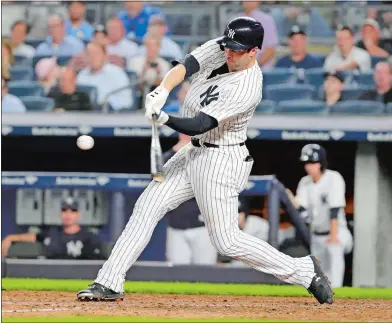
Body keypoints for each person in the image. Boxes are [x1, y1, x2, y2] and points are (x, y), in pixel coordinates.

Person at [77, 17, 333, 305]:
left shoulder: (248, 86)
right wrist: (161, 90)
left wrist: (164, 118)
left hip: (221, 157)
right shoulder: (222, 48)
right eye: (229, 46)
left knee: (227, 241)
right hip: (193, 152)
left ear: (254, 51)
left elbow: (200, 124)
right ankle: (109, 281)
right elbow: (185, 66)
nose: (230, 52)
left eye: (238, 49)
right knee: (146, 207)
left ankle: (303, 270)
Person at [287, 144, 353, 288]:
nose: (309, 166)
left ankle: (338, 291)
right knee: (320, 275)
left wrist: (334, 236)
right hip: (316, 235)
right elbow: (302, 209)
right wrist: (291, 200)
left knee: (334, 250)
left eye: (312, 163)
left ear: (321, 163)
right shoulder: (305, 182)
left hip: (338, 231)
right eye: (307, 163)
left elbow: (335, 209)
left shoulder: (333, 178)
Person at [163, 134, 217, 265]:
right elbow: (159, 186)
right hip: (176, 224)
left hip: (203, 226)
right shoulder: (167, 157)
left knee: (206, 272)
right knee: (177, 273)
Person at [1, 197, 102, 260]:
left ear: (78, 214)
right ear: (60, 213)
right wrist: (10, 238)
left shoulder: (89, 237)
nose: (68, 214)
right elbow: (33, 236)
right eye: (64, 210)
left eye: (72, 211)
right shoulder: (52, 232)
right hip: (52, 274)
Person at [77, 42, 133, 111]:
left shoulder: (116, 73)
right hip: (85, 115)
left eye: (96, 54)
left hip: (111, 116)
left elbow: (127, 102)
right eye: (89, 54)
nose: (92, 57)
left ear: (105, 55)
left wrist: (106, 104)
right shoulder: (82, 75)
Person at [128, 34, 170, 107]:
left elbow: (164, 87)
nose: (151, 49)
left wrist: (158, 73)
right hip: (139, 95)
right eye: (149, 46)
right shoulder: (135, 62)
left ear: (158, 47)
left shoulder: (164, 64)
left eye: (154, 46)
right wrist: (144, 71)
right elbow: (135, 84)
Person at [239, 1, 278, 69]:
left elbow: (270, 49)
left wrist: (253, 67)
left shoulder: (266, 20)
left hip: (261, 71)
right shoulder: (235, 19)